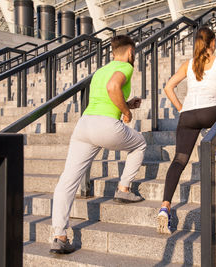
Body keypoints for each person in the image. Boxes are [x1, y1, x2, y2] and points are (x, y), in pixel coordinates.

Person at [50, 35, 147, 254]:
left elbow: (107, 94)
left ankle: (59, 236)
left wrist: (127, 102)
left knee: (67, 180)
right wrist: (127, 112)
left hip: (84, 125)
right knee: (139, 144)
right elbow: (114, 87)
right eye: (134, 54)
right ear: (130, 53)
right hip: (106, 126)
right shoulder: (126, 67)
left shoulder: (101, 71)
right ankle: (123, 188)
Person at [157, 27, 216, 234]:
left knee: (179, 161)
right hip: (209, 112)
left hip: (187, 116)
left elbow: (168, 87)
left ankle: (165, 207)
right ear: (212, 42)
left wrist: (180, 108)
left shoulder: (189, 64)